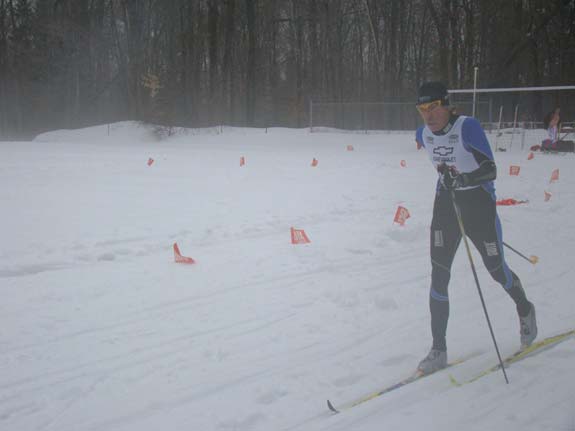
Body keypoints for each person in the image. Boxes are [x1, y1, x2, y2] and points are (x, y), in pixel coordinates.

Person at [414, 81, 537, 374]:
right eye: (422, 109)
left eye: (433, 107)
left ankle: (525, 308)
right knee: (439, 273)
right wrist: (449, 179)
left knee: (496, 269)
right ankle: (438, 349)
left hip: (479, 205)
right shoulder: (422, 134)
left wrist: (465, 179)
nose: (429, 115)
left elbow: (490, 168)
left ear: (446, 105)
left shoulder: (467, 127)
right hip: (446, 204)